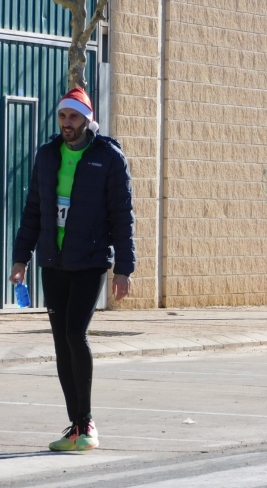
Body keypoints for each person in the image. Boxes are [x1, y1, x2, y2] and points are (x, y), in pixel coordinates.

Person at [9, 86, 135, 452]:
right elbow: (34, 209)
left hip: (91, 260)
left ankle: (87, 422)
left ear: (87, 119)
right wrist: (21, 258)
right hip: (54, 261)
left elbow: (122, 217)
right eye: (63, 116)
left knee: (75, 335)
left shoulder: (108, 157)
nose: (67, 123)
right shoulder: (47, 156)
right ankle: (76, 426)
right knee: (61, 343)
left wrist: (123, 268)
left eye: (74, 117)